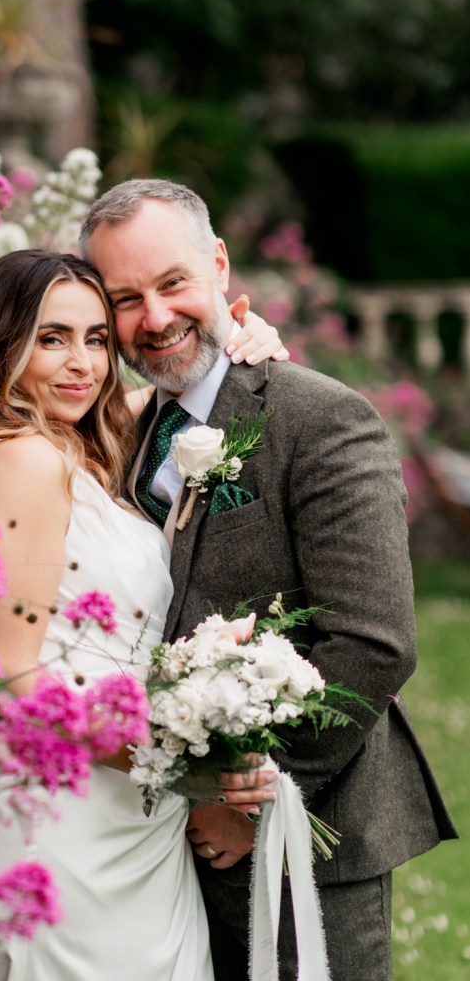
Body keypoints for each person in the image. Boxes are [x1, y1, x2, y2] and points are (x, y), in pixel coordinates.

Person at [0, 247, 284, 980]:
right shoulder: (24, 459)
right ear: (0, 347)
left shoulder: (50, 446)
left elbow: (172, 393)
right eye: (51, 338)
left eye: (97, 338)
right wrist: (183, 764)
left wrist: (241, 341)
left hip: (114, 808)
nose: (83, 364)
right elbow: (5, 678)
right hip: (67, 819)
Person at [79, 180, 458, 981]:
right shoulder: (134, 429)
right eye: (125, 297)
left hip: (306, 832)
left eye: (173, 282)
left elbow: (372, 640)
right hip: (167, 840)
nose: (153, 317)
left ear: (217, 265)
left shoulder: (319, 418)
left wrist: (255, 797)